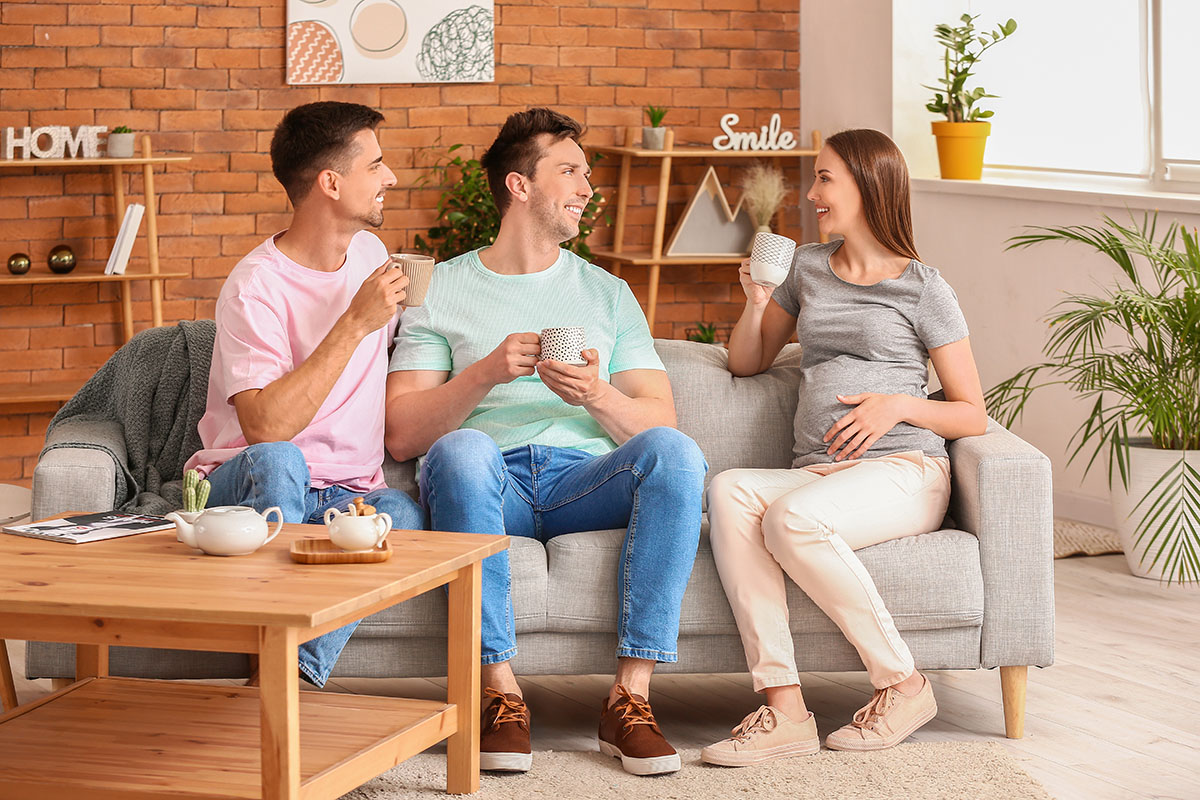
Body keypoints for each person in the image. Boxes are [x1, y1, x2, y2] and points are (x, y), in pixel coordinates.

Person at [384, 108, 707, 776]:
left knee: (678, 453)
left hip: (581, 482)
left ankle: (631, 700)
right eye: (569, 172)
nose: (587, 188)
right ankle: (499, 695)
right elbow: (402, 431)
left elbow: (662, 422)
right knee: (461, 449)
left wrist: (595, 394)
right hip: (487, 482)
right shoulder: (440, 289)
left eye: (586, 175)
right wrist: (484, 372)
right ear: (519, 185)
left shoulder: (608, 292)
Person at [699, 129, 988, 766]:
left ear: (867, 184)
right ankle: (784, 710)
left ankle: (903, 684)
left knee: (791, 518)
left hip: (905, 469)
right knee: (729, 490)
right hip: (823, 474)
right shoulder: (804, 268)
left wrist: (900, 405)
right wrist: (756, 302)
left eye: (826, 179)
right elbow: (748, 362)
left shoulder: (924, 289)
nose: (812, 193)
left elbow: (974, 414)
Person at [184, 101, 425, 687]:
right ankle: (276, 658)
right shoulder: (254, 286)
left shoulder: (370, 255)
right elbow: (266, 429)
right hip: (249, 477)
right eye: (376, 165)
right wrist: (354, 322)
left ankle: (287, 675)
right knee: (281, 460)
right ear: (331, 182)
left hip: (350, 493)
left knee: (405, 515)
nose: (391, 177)